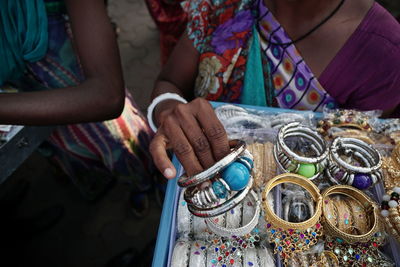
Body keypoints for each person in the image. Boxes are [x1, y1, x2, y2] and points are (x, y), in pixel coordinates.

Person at [148, 0, 400, 178]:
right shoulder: (223, 5)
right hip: (194, 175)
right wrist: (169, 111)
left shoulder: (384, 52)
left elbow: (355, 166)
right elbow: (170, 81)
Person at [0, 0, 154, 215]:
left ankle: (144, 187)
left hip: (81, 86)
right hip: (25, 97)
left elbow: (107, 97)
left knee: (122, 144)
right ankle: (91, 176)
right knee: (66, 148)